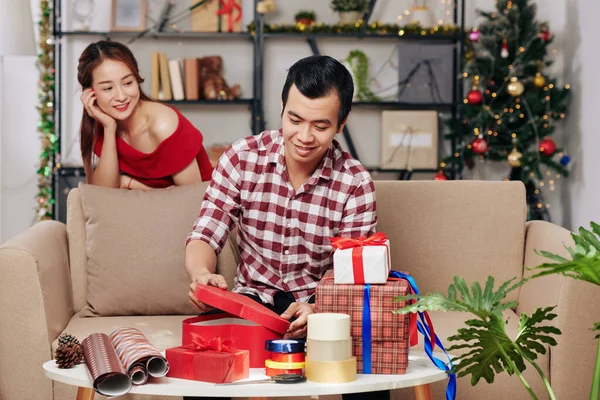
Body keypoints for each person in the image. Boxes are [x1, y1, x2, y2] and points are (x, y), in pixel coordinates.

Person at [184, 55, 389, 400]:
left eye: (321, 126)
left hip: (322, 308)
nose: (304, 136)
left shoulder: (355, 183)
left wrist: (318, 308)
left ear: (342, 123)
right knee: (202, 372)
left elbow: (353, 277)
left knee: (369, 380)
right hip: (253, 301)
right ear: (281, 107)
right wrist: (201, 274)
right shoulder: (241, 158)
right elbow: (207, 230)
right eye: (294, 119)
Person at [77, 40, 214, 190]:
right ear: (90, 92)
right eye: (108, 88)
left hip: (206, 208)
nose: (121, 96)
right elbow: (103, 193)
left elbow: (190, 202)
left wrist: (128, 183)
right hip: (150, 210)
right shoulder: (102, 123)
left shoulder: (163, 124)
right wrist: (109, 128)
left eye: (128, 83)